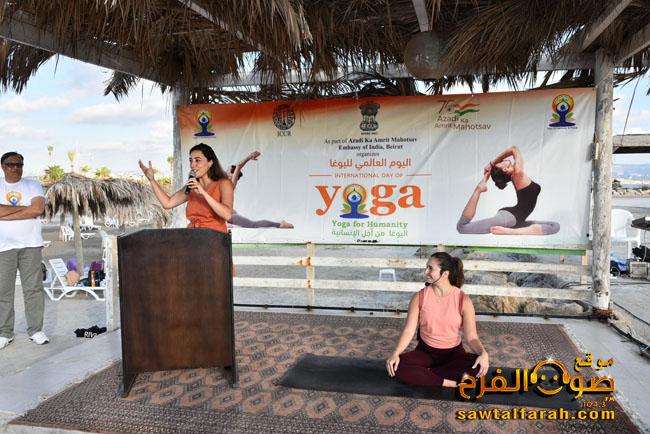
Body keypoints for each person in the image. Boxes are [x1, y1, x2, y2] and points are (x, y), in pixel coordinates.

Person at [386, 252, 488, 387]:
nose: (426, 272)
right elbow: (408, 331)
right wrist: (395, 353)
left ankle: (424, 375)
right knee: (397, 366)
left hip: (454, 354)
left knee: (478, 366)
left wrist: (483, 353)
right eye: (426, 267)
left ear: (445, 273)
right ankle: (445, 382)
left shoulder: (464, 300)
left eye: (430, 268)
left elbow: (472, 337)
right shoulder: (419, 297)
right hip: (425, 352)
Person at [0, 152, 49, 349]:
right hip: (3, 246)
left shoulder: (33, 185)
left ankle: (36, 330)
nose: (15, 168)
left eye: (19, 164)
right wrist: (24, 210)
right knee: (3, 290)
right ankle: (5, 332)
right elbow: (30, 210)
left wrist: (5, 213)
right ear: (3, 166)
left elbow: (37, 209)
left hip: (31, 244)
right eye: (10, 164)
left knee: (33, 289)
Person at [456, 145, 560, 235]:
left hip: (516, 217)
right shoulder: (517, 172)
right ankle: (478, 189)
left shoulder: (515, 176)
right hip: (509, 218)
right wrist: (492, 163)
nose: (502, 160)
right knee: (462, 227)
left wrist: (492, 164)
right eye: (500, 162)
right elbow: (514, 149)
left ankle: (513, 230)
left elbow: (513, 150)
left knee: (555, 226)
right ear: (505, 169)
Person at [139, 143, 233, 232]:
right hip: (192, 235)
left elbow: (227, 215)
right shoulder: (192, 186)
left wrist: (203, 193)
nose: (192, 165)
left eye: (197, 160)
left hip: (215, 236)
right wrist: (152, 180)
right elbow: (168, 203)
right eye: (191, 160)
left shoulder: (224, 183)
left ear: (210, 162)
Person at [227, 151, 294, 229]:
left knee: (253, 225)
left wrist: (249, 157)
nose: (226, 170)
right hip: (228, 212)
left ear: (231, 175)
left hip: (229, 214)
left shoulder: (230, 186)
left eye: (228, 170)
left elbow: (238, 166)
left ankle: (280, 224)